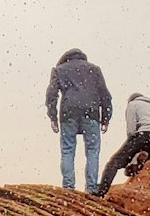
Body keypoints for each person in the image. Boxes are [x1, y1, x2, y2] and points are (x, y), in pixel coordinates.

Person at [45, 49, 112, 193]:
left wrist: (53, 117)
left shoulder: (59, 70)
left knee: (68, 150)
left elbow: (51, 95)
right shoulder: (94, 69)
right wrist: (106, 118)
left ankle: (68, 187)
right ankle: (92, 187)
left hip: (68, 112)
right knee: (93, 150)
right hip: (91, 113)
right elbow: (105, 94)